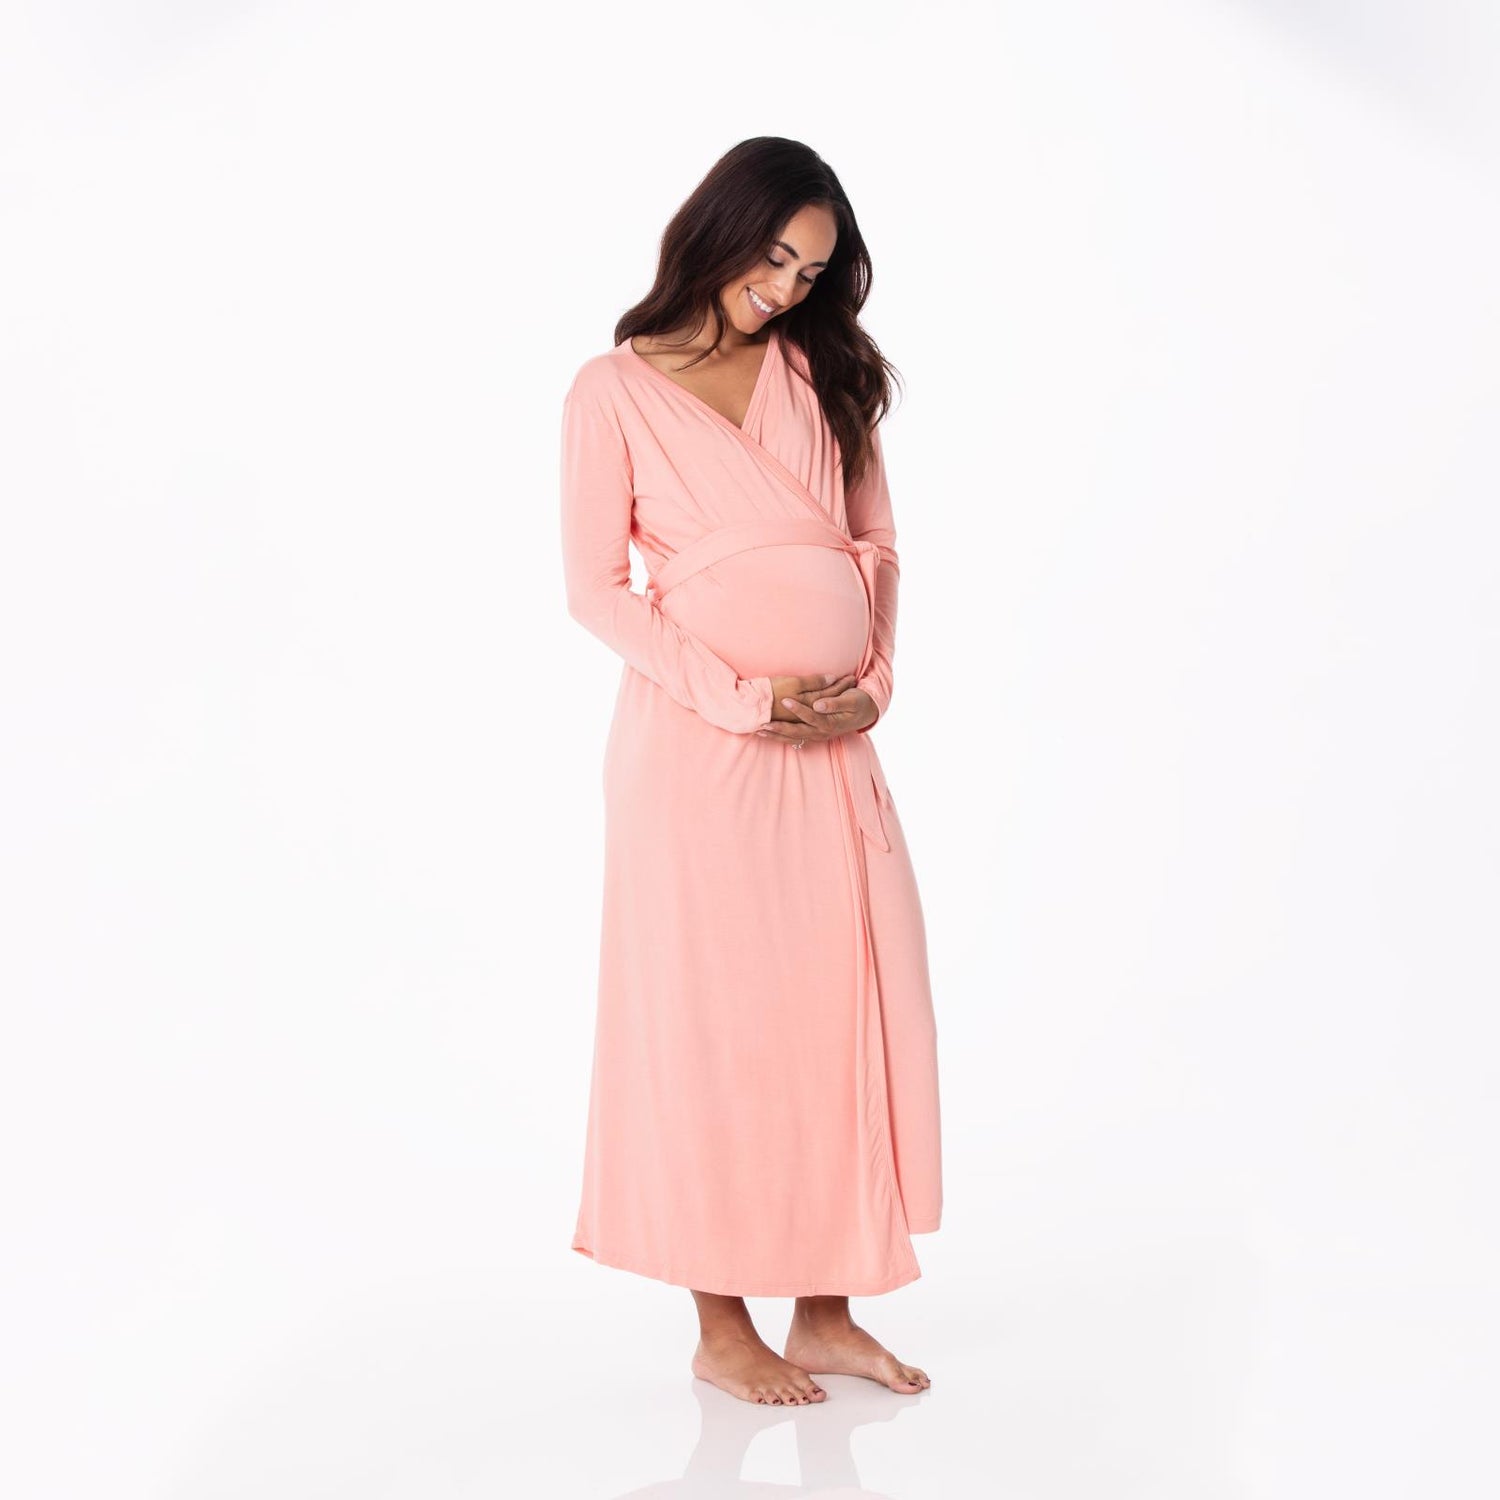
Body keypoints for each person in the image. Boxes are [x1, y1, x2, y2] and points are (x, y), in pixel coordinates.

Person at [559, 137, 942, 1407]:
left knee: (835, 1016)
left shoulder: (826, 375)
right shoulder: (612, 390)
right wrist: (738, 697)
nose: (785, 288)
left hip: (829, 747)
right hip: (695, 756)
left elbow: (876, 544)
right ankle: (722, 1326)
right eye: (773, 257)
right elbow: (595, 590)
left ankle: (825, 1313)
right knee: (709, 1024)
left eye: (812, 272)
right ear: (715, 231)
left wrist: (871, 685)